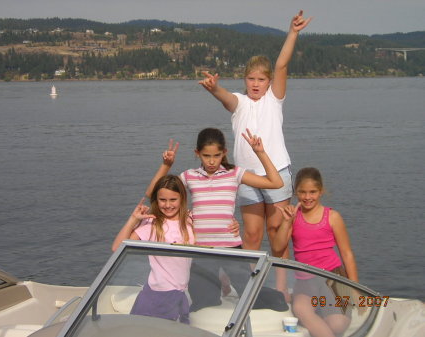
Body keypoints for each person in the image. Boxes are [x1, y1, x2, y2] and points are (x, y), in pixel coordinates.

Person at [198, 11, 312, 294]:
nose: (256, 84)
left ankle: (282, 289)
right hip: (247, 177)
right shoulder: (239, 102)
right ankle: (250, 288)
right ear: (245, 79)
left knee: (277, 236)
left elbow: (282, 64)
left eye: (262, 79)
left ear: (269, 80)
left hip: (277, 175)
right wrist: (214, 89)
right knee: (250, 235)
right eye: (251, 78)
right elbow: (224, 96)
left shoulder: (274, 99)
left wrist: (293, 32)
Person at [145, 127, 284, 311]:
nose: (211, 161)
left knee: (251, 297)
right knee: (204, 303)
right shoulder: (189, 176)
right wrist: (166, 165)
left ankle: (277, 295)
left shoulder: (234, 173)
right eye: (206, 156)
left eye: (217, 155)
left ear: (224, 153)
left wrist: (260, 152)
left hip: (231, 248)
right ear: (197, 153)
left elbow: (276, 183)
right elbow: (152, 194)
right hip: (201, 251)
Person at [275, 167, 359, 337]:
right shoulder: (293, 217)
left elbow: (347, 253)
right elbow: (277, 249)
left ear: (321, 191)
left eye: (312, 192)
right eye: (302, 192)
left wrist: (355, 288)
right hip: (305, 281)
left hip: (333, 279)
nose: (307, 197)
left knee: (336, 325)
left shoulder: (332, 217)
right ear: (295, 192)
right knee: (300, 308)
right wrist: (286, 222)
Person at [111, 175, 195, 324]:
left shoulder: (191, 220)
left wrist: (233, 227)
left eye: (173, 200)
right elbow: (117, 247)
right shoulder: (152, 223)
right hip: (157, 294)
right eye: (163, 200)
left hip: (181, 293)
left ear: (182, 198)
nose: (168, 205)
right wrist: (133, 219)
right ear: (156, 200)